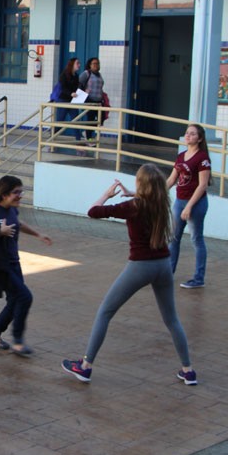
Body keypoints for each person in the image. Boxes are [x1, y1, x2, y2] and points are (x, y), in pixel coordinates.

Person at [61, 165, 197, 385]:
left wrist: (107, 195)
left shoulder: (132, 206)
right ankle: (188, 371)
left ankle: (85, 367)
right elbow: (150, 197)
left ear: (140, 185)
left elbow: (93, 211)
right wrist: (131, 193)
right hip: (163, 265)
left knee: (105, 312)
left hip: (140, 267)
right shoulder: (161, 203)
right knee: (172, 319)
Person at [0, 175, 52, 357]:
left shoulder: (11, 210)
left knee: (14, 300)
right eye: (16, 192)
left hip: (13, 262)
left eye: (21, 192)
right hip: (0, 265)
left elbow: (18, 224)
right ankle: (18, 341)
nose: (20, 196)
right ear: (4, 194)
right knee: (24, 297)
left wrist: (38, 234)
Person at [166, 123, 212, 289]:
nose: (188, 136)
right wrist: (156, 193)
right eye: (187, 133)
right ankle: (168, 273)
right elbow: (172, 179)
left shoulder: (202, 158)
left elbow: (202, 185)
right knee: (173, 238)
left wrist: (189, 206)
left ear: (199, 139)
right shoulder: (181, 156)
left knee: (196, 239)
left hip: (196, 203)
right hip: (180, 201)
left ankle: (199, 278)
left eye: (192, 134)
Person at [78, 57, 107, 139]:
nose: (96, 65)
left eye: (97, 63)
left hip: (99, 101)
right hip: (89, 100)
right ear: (90, 65)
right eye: (94, 63)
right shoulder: (86, 74)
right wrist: (84, 92)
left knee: (101, 118)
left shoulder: (99, 75)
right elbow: (79, 84)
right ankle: (89, 138)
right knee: (90, 119)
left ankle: (87, 132)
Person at [56, 57, 83, 142]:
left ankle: (78, 140)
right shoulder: (64, 75)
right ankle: (52, 137)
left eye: (79, 63)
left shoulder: (76, 76)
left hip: (72, 101)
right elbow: (62, 88)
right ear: (72, 64)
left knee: (75, 120)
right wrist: (70, 93)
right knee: (60, 121)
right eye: (77, 63)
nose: (79, 65)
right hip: (63, 100)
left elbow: (76, 88)